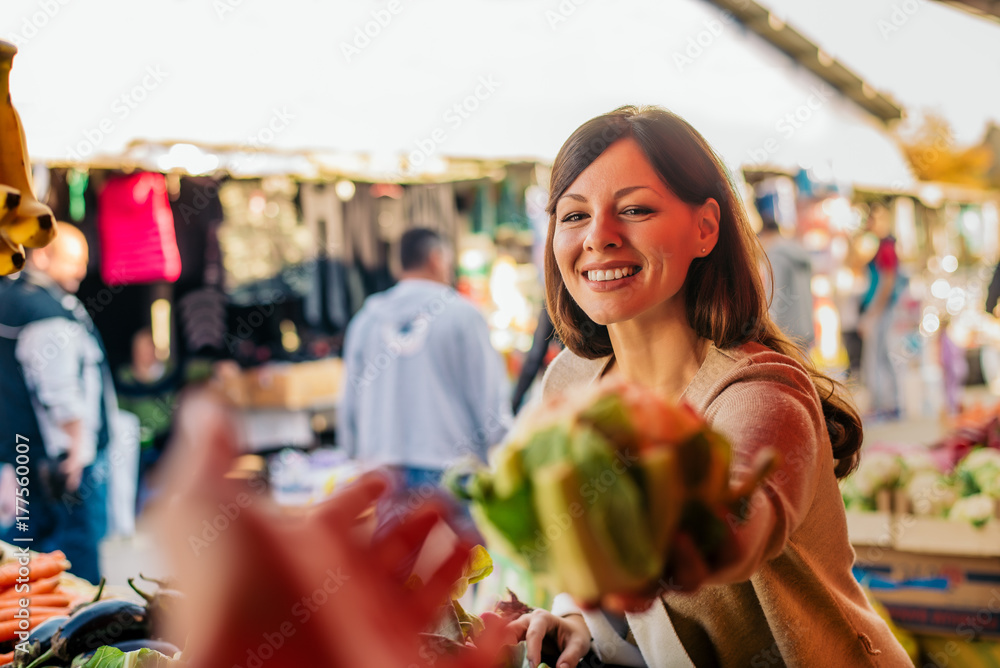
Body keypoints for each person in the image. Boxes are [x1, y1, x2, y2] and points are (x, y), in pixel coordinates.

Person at [508, 106, 910, 667]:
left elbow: (737, 529)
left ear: (705, 228)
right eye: (573, 216)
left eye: (635, 209)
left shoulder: (761, 391)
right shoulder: (570, 381)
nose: (599, 237)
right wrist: (577, 615)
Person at [338, 227, 512, 495]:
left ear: (398, 267)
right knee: (457, 539)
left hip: (382, 469)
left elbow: (349, 398)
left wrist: (353, 453)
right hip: (451, 468)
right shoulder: (463, 316)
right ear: (436, 258)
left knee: (393, 539)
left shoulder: (366, 320)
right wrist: (502, 445)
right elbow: (489, 393)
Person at [0, 223, 114, 583]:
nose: (82, 271)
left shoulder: (16, 300)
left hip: (22, 460)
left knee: (21, 565)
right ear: (44, 255)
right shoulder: (43, 309)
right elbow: (59, 392)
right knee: (71, 577)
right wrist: (76, 452)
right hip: (58, 467)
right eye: (74, 261)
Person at [859, 202, 903, 422]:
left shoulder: (887, 248)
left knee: (877, 357)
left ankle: (883, 405)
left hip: (882, 310)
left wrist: (873, 313)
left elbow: (887, 282)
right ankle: (888, 404)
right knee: (882, 356)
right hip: (881, 309)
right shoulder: (880, 246)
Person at [756, 203, 815, 354]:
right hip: (805, 327)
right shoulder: (798, 251)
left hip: (787, 333)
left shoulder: (776, 256)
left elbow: (774, 297)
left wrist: (767, 332)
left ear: (765, 233)